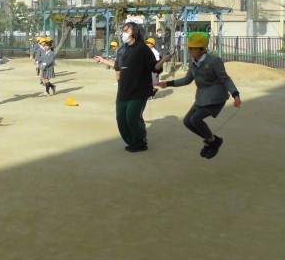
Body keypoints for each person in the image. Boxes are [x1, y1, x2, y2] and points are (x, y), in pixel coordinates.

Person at [156, 33, 241, 160]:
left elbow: (226, 79)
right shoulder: (192, 62)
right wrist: (168, 83)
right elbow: (187, 80)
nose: (190, 50)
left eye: (193, 48)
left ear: (203, 49)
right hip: (201, 98)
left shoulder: (214, 61)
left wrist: (235, 95)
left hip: (215, 98)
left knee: (195, 119)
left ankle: (212, 141)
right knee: (187, 121)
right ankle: (212, 141)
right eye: (189, 48)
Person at [94, 22, 172, 153]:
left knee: (132, 117)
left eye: (126, 31)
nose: (123, 33)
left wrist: (163, 61)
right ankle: (131, 141)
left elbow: (154, 67)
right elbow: (118, 66)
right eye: (123, 31)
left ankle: (140, 143)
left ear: (134, 32)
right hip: (123, 90)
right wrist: (103, 61)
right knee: (121, 118)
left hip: (139, 91)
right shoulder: (122, 49)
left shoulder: (143, 49)